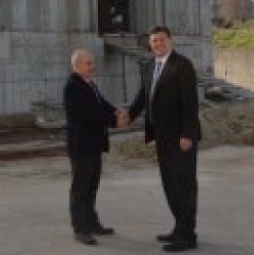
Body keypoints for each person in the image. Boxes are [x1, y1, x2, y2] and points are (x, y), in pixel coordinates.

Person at [126, 25, 203, 251]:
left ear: (170, 41)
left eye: (161, 40)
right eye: (154, 41)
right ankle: (180, 228)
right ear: (150, 44)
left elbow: (190, 103)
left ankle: (187, 236)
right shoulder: (150, 65)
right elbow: (143, 95)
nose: (158, 44)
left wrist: (188, 134)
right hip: (161, 137)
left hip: (180, 138)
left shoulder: (182, 65)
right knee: (170, 185)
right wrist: (129, 115)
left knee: (184, 186)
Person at [63, 48, 121, 246]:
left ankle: (92, 223)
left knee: (91, 188)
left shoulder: (89, 84)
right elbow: (89, 115)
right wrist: (114, 121)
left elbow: (102, 104)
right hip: (81, 147)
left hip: (94, 145)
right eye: (89, 63)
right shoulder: (73, 87)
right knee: (80, 189)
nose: (93, 66)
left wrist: (116, 112)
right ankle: (80, 229)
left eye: (92, 62)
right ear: (77, 65)